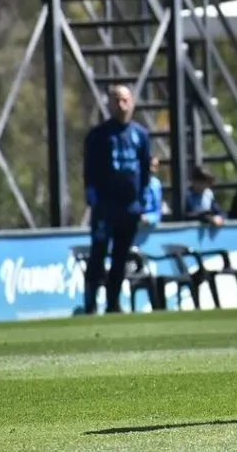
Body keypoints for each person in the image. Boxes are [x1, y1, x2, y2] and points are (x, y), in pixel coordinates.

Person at [82, 85, 151, 314]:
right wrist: (93, 197)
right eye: (116, 101)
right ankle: (91, 303)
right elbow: (89, 170)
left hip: (129, 207)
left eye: (125, 100)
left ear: (131, 103)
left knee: (121, 256)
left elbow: (144, 169)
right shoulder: (99, 135)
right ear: (109, 104)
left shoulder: (140, 135)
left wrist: (142, 201)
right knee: (99, 253)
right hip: (105, 206)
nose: (121, 105)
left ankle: (113, 302)